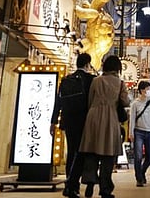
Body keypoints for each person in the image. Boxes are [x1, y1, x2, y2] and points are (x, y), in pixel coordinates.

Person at [79, 55, 130, 198]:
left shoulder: (96, 80)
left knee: (91, 152)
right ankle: (105, 189)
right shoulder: (120, 83)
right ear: (118, 68)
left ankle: (89, 183)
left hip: (93, 117)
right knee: (108, 155)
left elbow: (90, 100)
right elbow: (125, 102)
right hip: (110, 118)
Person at [50, 53, 96, 198]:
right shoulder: (91, 80)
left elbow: (58, 102)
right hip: (84, 121)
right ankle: (72, 185)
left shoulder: (66, 79)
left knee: (71, 152)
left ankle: (71, 184)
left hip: (68, 121)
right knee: (82, 153)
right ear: (88, 64)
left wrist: (53, 121)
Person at [129, 80, 150, 187]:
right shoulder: (135, 104)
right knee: (138, 156)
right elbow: (132, 119)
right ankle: (139, 179)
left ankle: (142, 172)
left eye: (149, 89)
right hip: (138, 132)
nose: (149, 91)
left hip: (149, 133)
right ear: (141, 90)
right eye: (147, 89)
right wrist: (131, 132)